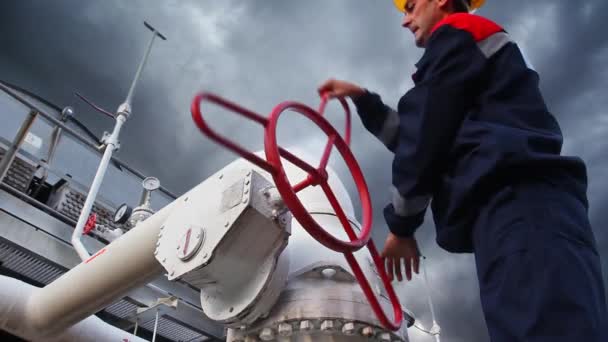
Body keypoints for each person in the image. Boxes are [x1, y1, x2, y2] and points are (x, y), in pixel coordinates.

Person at [317, 0, 607, 340]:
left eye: (410, 7)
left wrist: (402, 225)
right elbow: (421, 135)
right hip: (525, 214)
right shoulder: (470, 54)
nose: (405, 21)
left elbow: (426, 138)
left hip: (518, 209)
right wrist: (364, 100)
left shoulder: (459, 35)